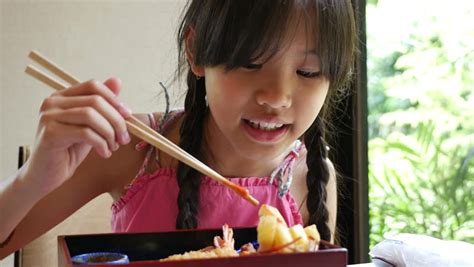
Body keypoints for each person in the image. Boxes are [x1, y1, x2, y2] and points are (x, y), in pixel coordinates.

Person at [0, 0, 356, 258]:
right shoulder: (131, 147)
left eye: (308, 72)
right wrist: (32, 179)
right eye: (250, 63)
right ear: (196, 50)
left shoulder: (312, 176)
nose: (276, 97)